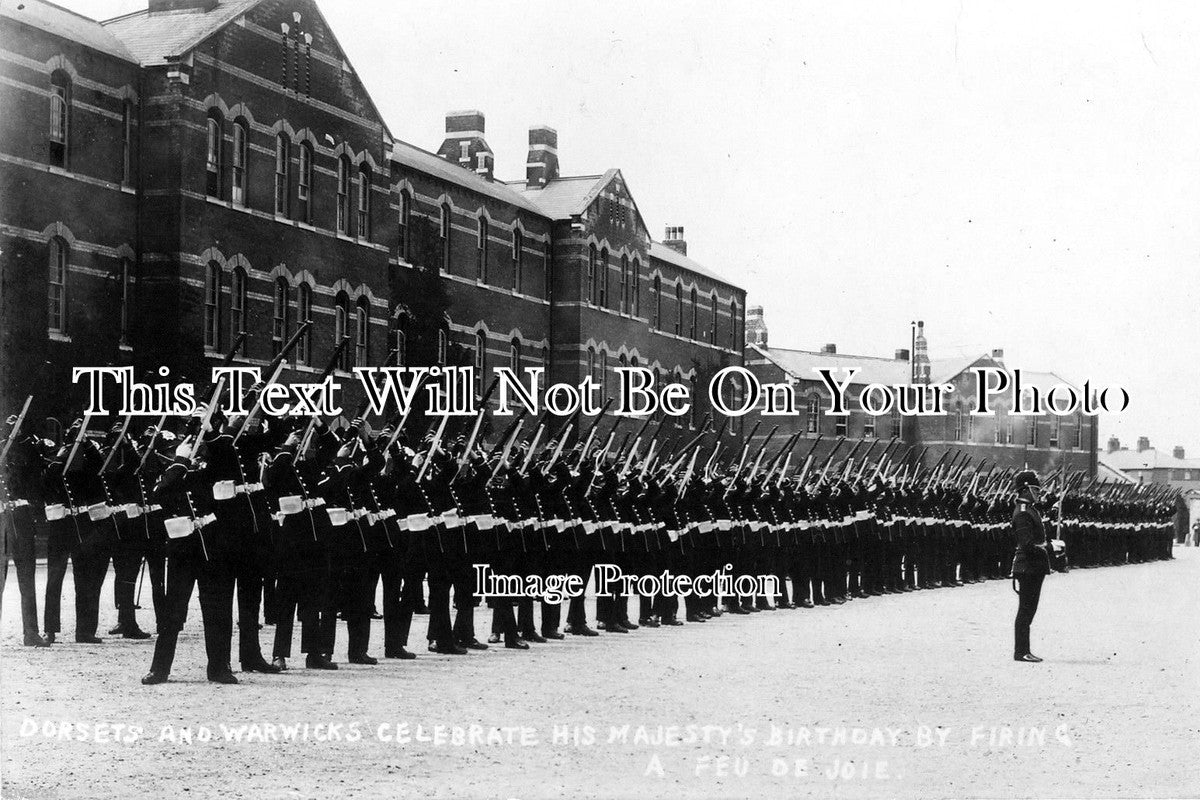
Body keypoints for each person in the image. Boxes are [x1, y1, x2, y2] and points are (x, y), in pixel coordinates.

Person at [1010, 469, 1050, 663]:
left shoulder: (1030, 509)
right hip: (1028, 567)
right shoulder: (1023, 512)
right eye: (1035, 489)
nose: (1038, 492)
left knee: (1029, 610)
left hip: (1033, 567)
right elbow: (1027, 544)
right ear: (1025, 490)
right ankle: (1021, 651)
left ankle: (1024, 650)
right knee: (1025, 611)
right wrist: (1049, 547)